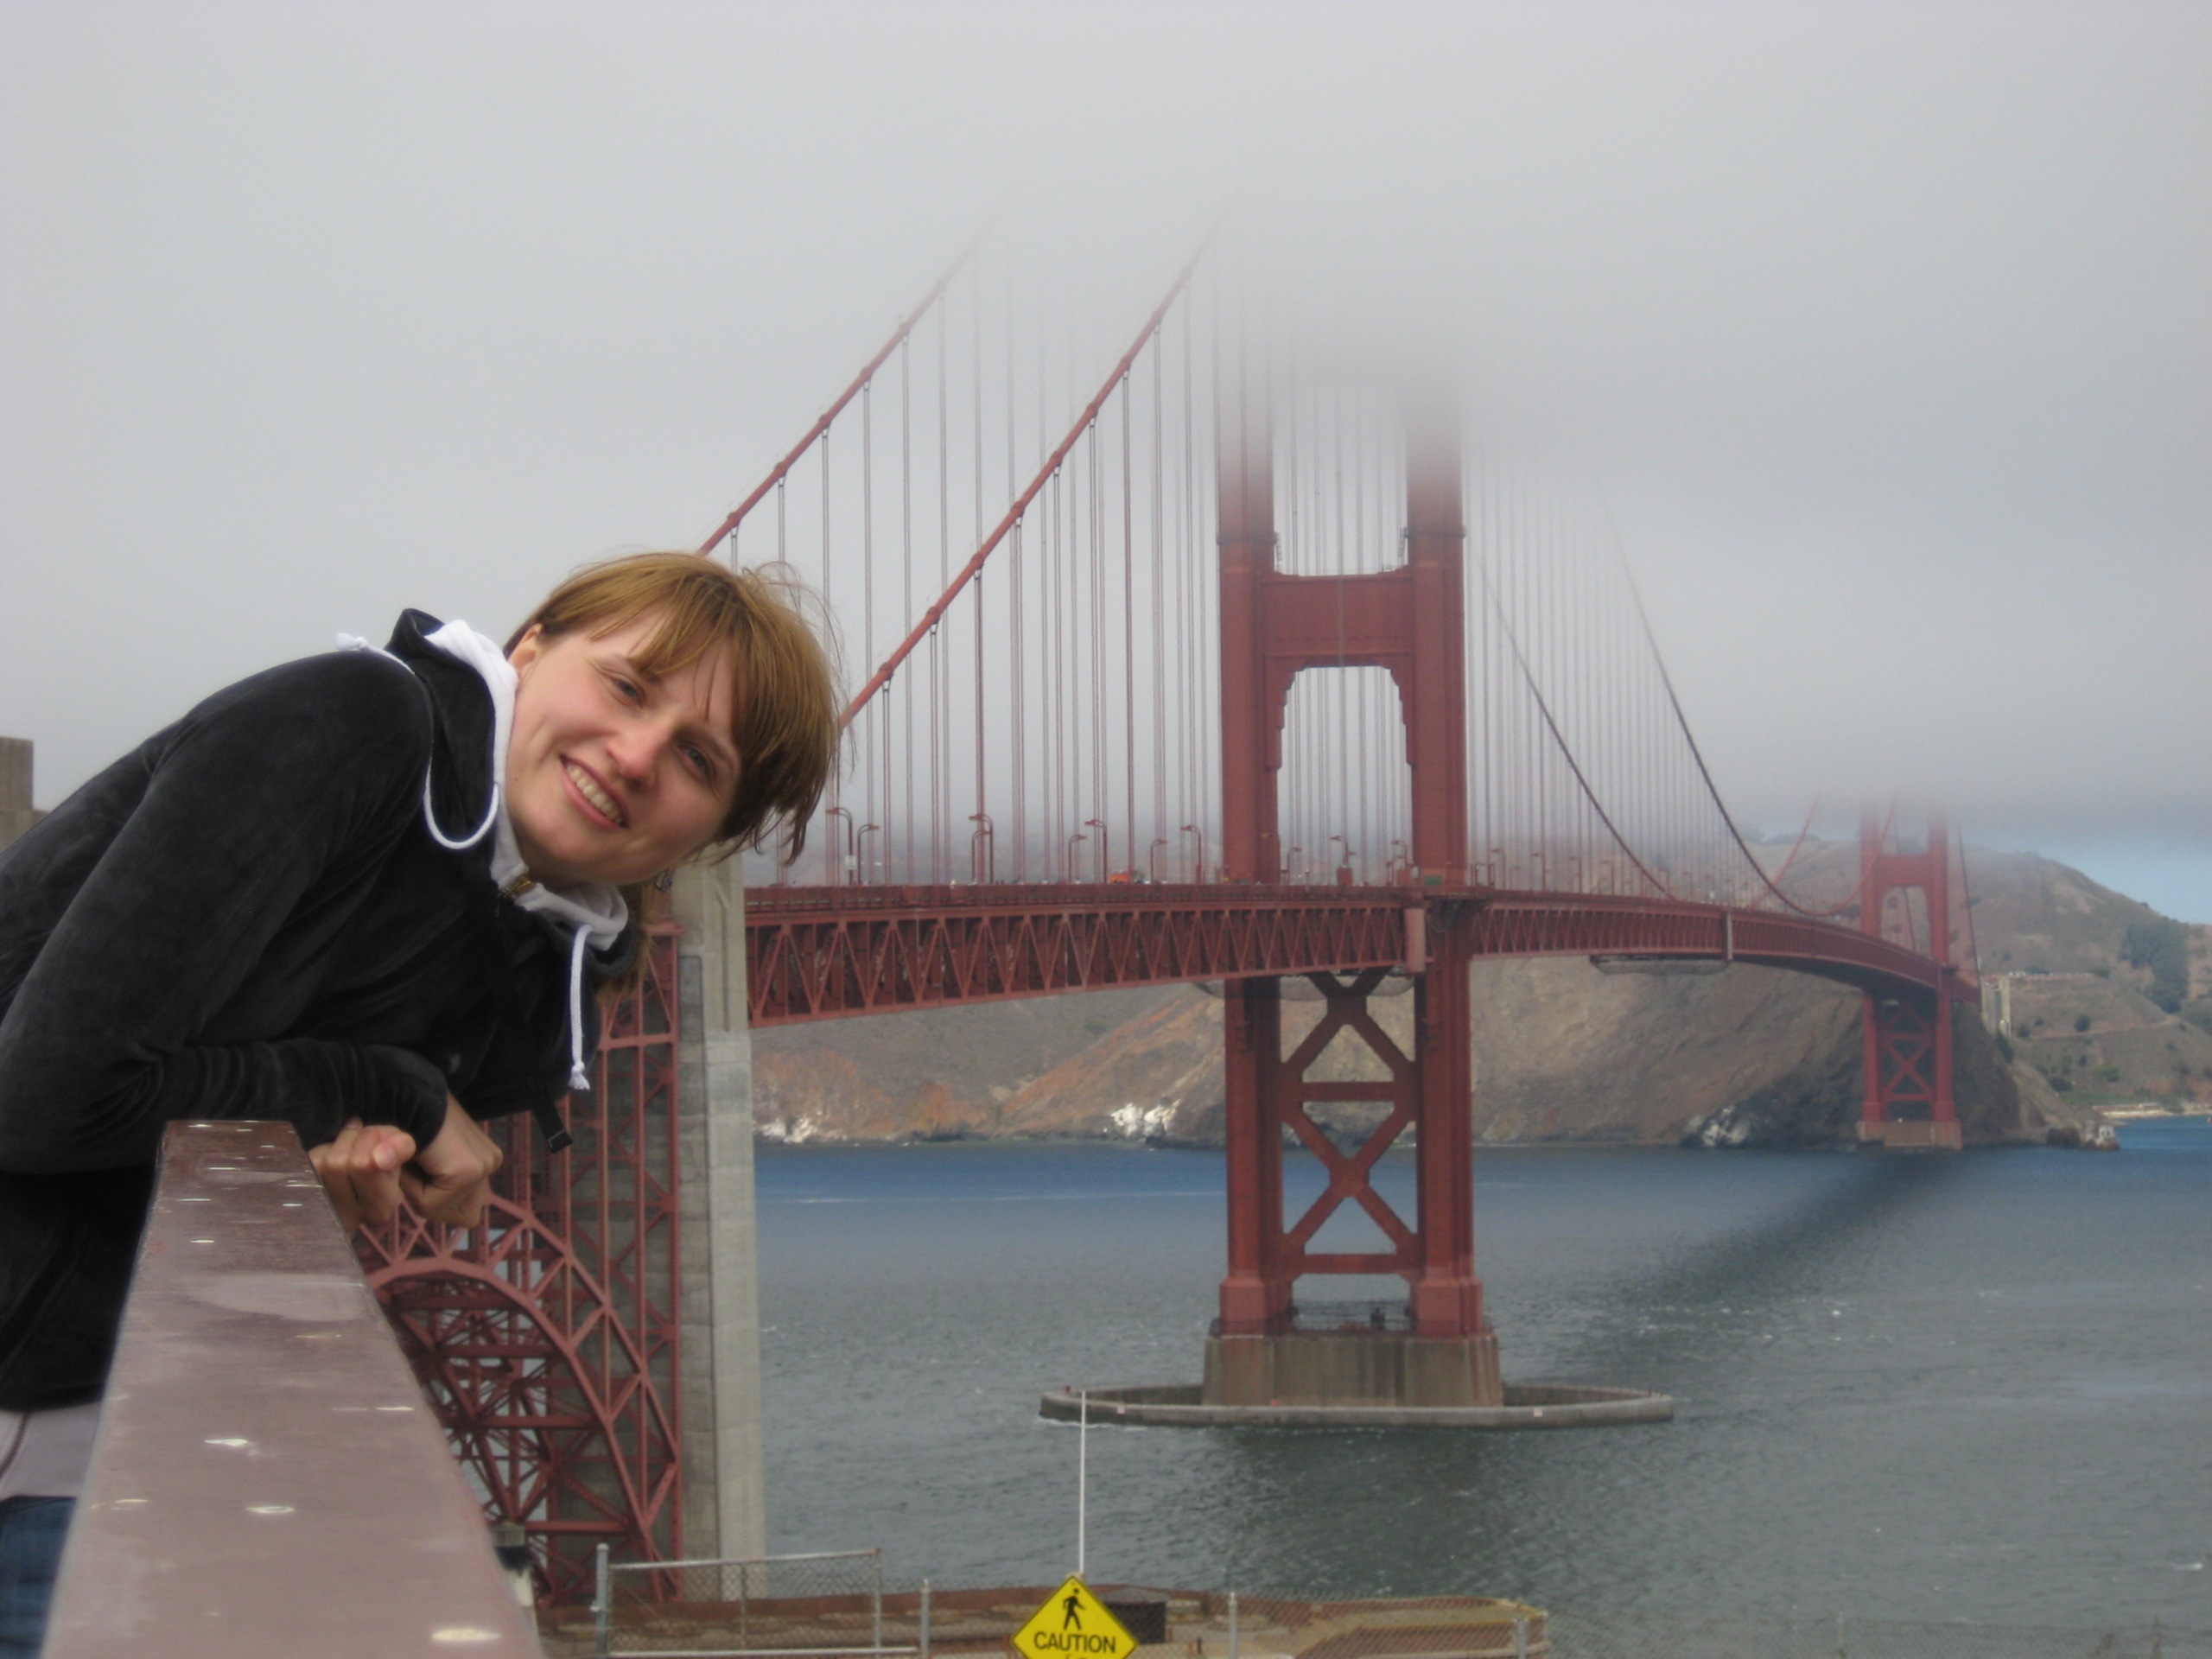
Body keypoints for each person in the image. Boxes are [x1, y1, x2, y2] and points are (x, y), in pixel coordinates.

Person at [0, 551, 841, 1654]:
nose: (635, 756)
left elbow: (204, 1103)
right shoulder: (356, 725)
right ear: (530, 646)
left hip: (88, 1458)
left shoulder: (534, 976)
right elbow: (43, 1096)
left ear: (713, 833)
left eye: (697, 759)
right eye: (627, 686)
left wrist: (320, 1170)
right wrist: (379, 1088)